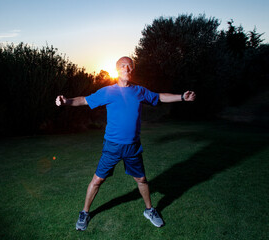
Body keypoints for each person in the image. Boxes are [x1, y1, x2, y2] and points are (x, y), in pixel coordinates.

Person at [55, 56, 196, 231]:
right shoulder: (108, 91)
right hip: (112, 146)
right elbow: (84, 100)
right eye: (123, 66)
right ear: (117, 70)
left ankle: (149, 210)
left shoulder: (139, 91)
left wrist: (182, 97)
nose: (127, 69)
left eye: (130, 66)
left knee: (142, 179)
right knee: (97, 180)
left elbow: (159, 97)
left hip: (133, 147)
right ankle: (84, 213)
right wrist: (66, 101)